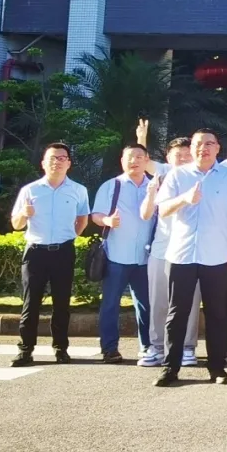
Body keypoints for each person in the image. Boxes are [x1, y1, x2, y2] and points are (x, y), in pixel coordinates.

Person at [152, 129, 227, 386]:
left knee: (217, 313)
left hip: (216, 255)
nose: (204, 148)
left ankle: (217, 368)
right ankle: (170, 368)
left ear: (218, 148)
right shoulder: (177, 175)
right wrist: (184, 199)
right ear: (191, 148)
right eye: (198, 144)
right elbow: (163, 209)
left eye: (209, 144)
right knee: (177, 313)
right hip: (181, 254)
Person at [10, 144, 90, 367]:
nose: (57, 162)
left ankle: (61, 348)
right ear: (43, 163)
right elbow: (16, 224)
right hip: (35, 252)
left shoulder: (79, 190)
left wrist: (69, 237)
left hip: (63, 251)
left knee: (62, 302)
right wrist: (24, 214)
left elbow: (82, 219)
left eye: (62, 158)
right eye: (53, 158)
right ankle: (25, 350)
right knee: (31, 303)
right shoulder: (30, 190)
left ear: (69, 163)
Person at [140, 136, 201, 368]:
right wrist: (142, 138)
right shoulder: (162, 175)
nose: (183, 159)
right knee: (158, 301)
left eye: (187, 155)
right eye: (178, 155)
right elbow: (144, 161)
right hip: (162, 249)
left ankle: (187, 347)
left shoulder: (201, 178)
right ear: (168, 158)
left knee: (190, 302)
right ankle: (156, 347)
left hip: (190, 251)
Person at [92, 144, 154, 364]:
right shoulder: (111, 186)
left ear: (146, 160)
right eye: (129, 157)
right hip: (116, 256)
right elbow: (96, 215)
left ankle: (148, 347)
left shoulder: (155, 186)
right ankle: (109, 348)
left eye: (139, 156)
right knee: (110, 304)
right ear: (122, 160)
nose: (134, 161)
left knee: (146, 304)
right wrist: (107, 220)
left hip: (146, 257)